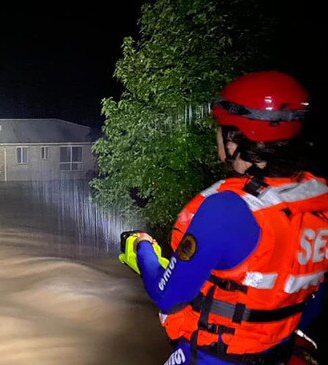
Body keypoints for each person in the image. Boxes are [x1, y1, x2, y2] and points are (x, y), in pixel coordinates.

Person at [119, 71, 328, 365]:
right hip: (278, 351)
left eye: (220, 128)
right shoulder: (316, 198)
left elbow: (166, 296)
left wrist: (143, 250)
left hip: (217, 356)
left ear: (234, 140)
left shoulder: (226, 210)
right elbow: (312, 295)